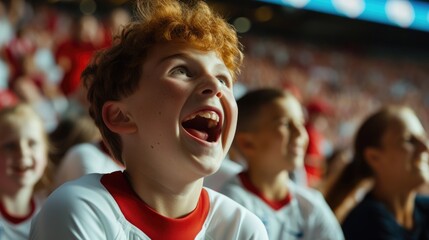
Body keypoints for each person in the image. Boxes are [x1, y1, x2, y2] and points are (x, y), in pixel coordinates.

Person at [29, 0, 269, 239]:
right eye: (182, 70)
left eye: (223, 78)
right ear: (121, 116)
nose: (214, 85)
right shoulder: (79, 210)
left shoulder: (243, 229)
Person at [220, 88, 344, 240]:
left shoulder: (312, 207)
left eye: (301, 123)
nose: (300, 133)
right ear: (247, 143)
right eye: (285, 125)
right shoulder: (231, 204)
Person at [324, 105, 429, 239]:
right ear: (373, 157)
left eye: (424, 137)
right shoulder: (366, 224)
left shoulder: (424, 208)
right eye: (409, 140)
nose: (425, 147)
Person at [0, 103, 51, 240]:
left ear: (46, 152)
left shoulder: (51, 209)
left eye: (32, 143)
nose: (23, 154)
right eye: (10, 146)